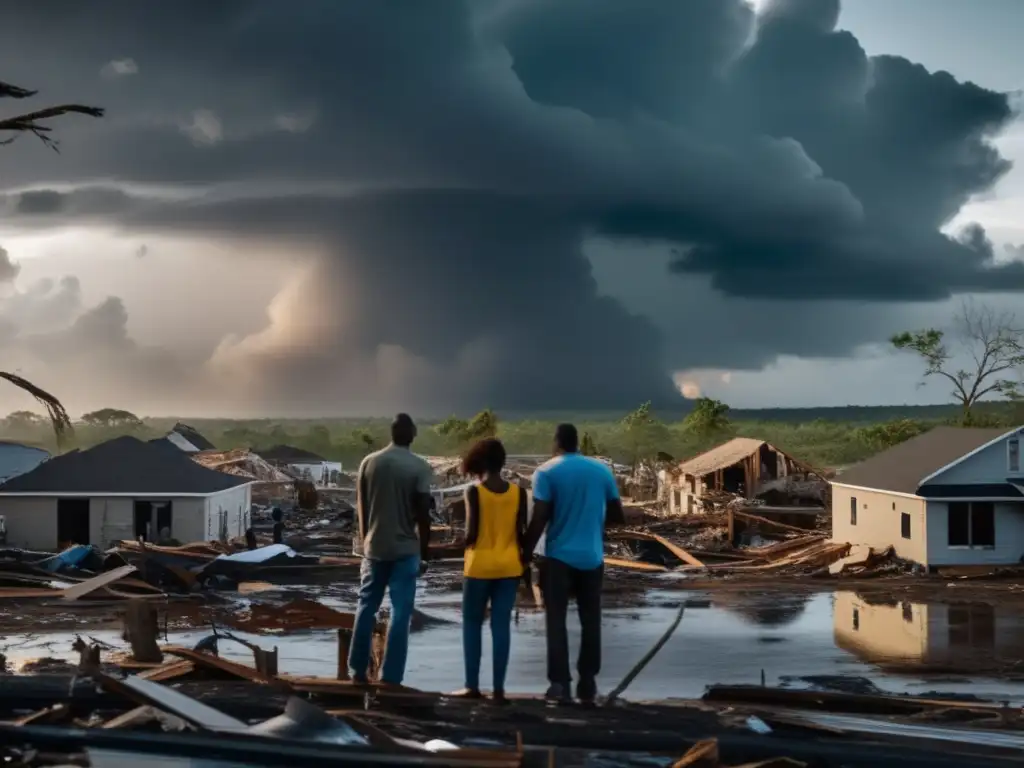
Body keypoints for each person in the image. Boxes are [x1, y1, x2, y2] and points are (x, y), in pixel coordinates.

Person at [523, 423, 623, 705]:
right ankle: (588, 682)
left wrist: (525, 552)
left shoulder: (546, 472)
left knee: (556, 621)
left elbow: (540, 516)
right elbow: (618, 514)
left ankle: (560, 684)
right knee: (591, 621)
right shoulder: (601, 471)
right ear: (578, 443)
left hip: (558, 559)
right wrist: (592, 519)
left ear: (556, 443)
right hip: (592, 557)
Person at [348, 413, 433, 686]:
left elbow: (361, 507)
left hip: (374, 547)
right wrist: (425, 553)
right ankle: (391, 678)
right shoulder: (419, 467)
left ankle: (357, 672)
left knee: (366, 606)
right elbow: (423, 514)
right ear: (413, 435)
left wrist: (365, 542)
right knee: (400, 612)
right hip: (405, 549)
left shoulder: (368, 463)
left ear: (391, 433)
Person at [453, 438, 527, 703]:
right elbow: (521, 535)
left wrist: (455, 543)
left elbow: (471, 534)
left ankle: (471, 686)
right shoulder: (518, 493)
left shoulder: (475, 491)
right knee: (501, 627)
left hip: (479, 566)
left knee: (472, 625)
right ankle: (498, 690)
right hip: (509, 566)